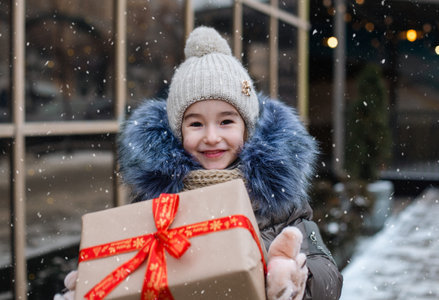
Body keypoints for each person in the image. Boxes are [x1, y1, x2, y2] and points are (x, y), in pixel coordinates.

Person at [56, 26, 342, 300]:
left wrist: (298, 280)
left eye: (226, 121)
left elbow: (329, 277)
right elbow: (135, 275)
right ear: (179, 132)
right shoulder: (157, 207)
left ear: (248, 127)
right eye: (195, 124)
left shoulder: (279, 202)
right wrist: (99, 285)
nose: (211, 137)